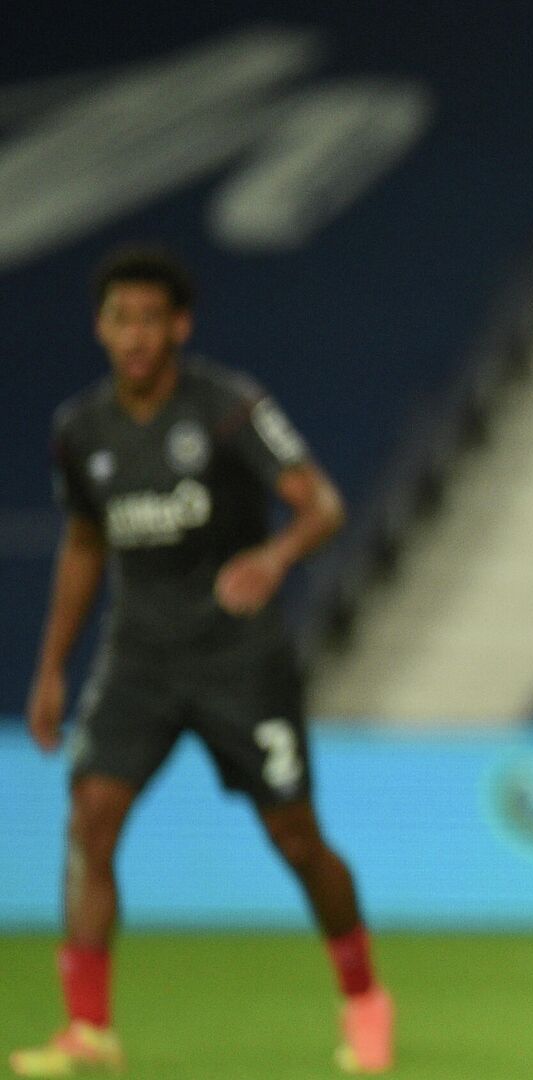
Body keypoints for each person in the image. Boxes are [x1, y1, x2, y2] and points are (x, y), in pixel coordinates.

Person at [13, 249, 392, 1077]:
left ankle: (364, 998)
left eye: (153, 320)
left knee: (294, 836)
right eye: (122, 320)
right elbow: (84, 544)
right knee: (89, 821)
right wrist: (50, 668)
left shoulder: (226, 408)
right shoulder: (82, 432)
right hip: (139, 657)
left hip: (238, 659)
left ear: (178, 327)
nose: (137, 336)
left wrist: (275, 556)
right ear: (101, 328)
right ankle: (89, 1031)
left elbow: (321, 503)